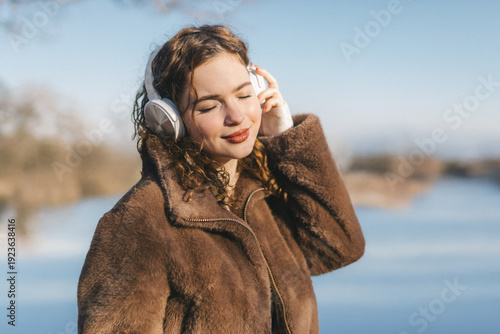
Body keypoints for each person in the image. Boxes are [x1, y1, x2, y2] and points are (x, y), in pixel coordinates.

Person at [77, 24, 365, 334]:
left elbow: (339, 246)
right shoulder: (141, 220)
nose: (237, 116)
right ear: (169, 120)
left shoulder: (262, 192)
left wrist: (286, 139)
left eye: (244, 95)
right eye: (211, 105)